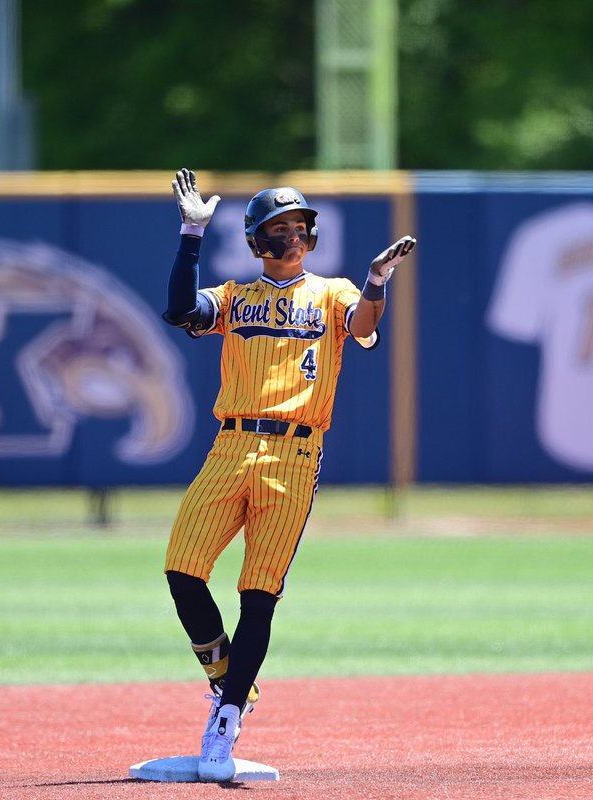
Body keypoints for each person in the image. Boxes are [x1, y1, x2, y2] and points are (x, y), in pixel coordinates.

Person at [161, 169, 416, 781]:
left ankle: (225, 718)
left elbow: (362, 326)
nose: (293, 237)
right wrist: (190, 234)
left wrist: (377, 279)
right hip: (230, 446)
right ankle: (228, 677)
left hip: (296, 455)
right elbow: (178, 310)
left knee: (259, 592)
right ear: (256, 242)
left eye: (300, 227)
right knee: (183, 571)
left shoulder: (331, 294)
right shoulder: (236, 297)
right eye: (279, 229)